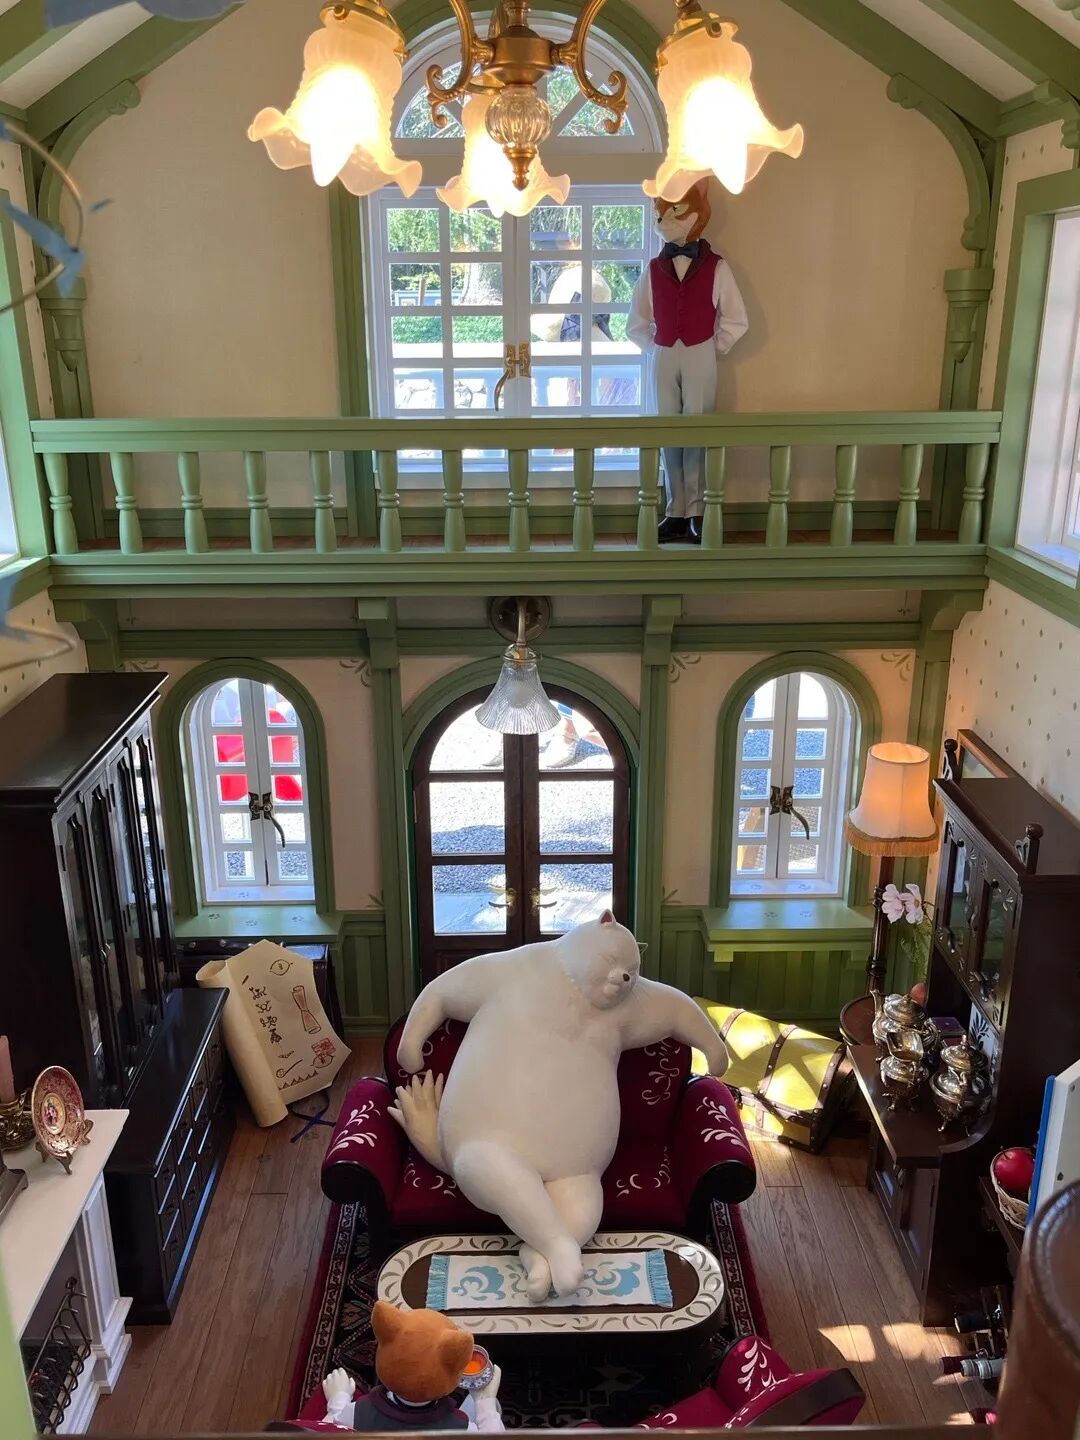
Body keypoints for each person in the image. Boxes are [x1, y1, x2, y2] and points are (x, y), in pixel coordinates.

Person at [628, 180, 748, 544]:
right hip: (664, 353)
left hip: (700, 351)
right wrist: (657, 347)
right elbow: (636, 322)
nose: (664, 219)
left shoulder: (716, 267)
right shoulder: (653, 269)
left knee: (697, 430)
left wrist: (711, 347)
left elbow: (736, 319)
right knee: (668, 431)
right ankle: (674, 510)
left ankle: (696, 510)